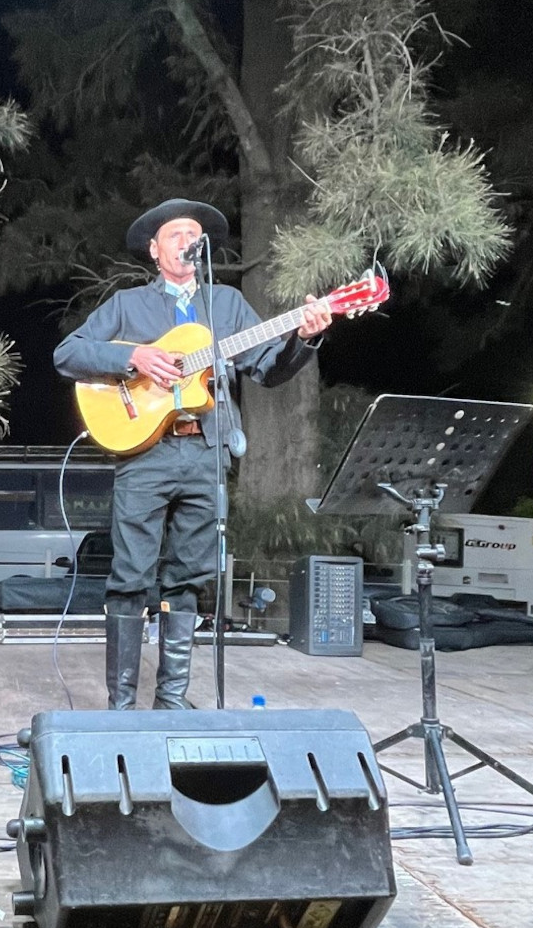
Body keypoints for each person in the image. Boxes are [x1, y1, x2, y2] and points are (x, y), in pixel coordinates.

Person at [54, 198, 333, 711]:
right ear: (154, 250)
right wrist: (132, 356)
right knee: (131, 576)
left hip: (207, 453)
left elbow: (269, 368)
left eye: (194, 234)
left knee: (188, 577)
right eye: (176, 233)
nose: (188, 240)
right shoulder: (127, 304)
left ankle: (171, 702)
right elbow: (67, 353)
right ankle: (121, 708)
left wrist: (304, 339)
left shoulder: (225, 304)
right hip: (145, 453)